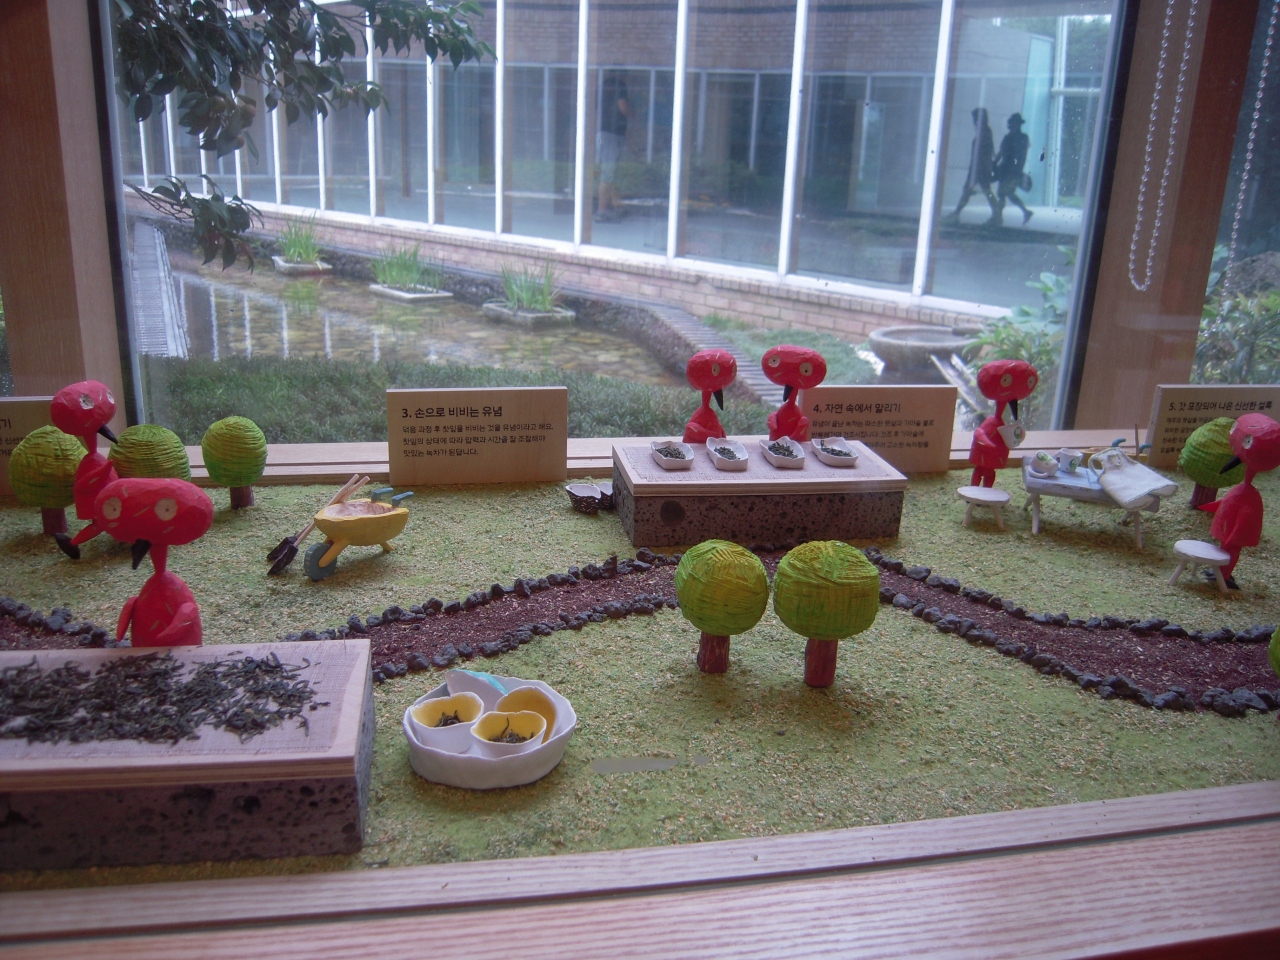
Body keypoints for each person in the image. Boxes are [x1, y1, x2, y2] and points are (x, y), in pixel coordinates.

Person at [948, 107, 997, 223]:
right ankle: (996, 215)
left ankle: (997, 215)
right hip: (980, 168)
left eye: (975, 118)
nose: (974, 121)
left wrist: (978, 168)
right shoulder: (985, 132)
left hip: (979, 168)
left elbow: (982, 154)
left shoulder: (984, 133)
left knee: (981, 191)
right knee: (978, 191)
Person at [595, 72, 630, 223]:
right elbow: (623, 107)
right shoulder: (619, 85)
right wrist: (634, 114)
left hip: (603, 133)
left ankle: (617, 206)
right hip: (612, 134)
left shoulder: (602, 86)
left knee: (612, 172)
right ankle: (601, 211)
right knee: (608, 173)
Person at [993, 112, 1032, 225]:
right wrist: (994, 163)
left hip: (1011, 170)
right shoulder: (1012, 137)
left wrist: (1018, 169)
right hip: (1006, 169)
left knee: (1003, 193)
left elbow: (1022, 155)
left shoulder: (1020, 138)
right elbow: (1002, 152)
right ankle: (1024, 212)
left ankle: (998, 217)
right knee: (1007, 193)